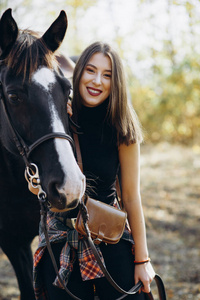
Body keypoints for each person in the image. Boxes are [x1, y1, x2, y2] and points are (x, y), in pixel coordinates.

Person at [33, 41, 155, 300]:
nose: (97, 81)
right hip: (61, 240)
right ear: (78, 74)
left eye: (107, 74)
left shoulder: (121, 127)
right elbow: (36, 179)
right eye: (90, 70)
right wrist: (33, 184)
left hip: (109, 236)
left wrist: (142, 260)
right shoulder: (59, 118)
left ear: (116, 82)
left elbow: (132, 197)